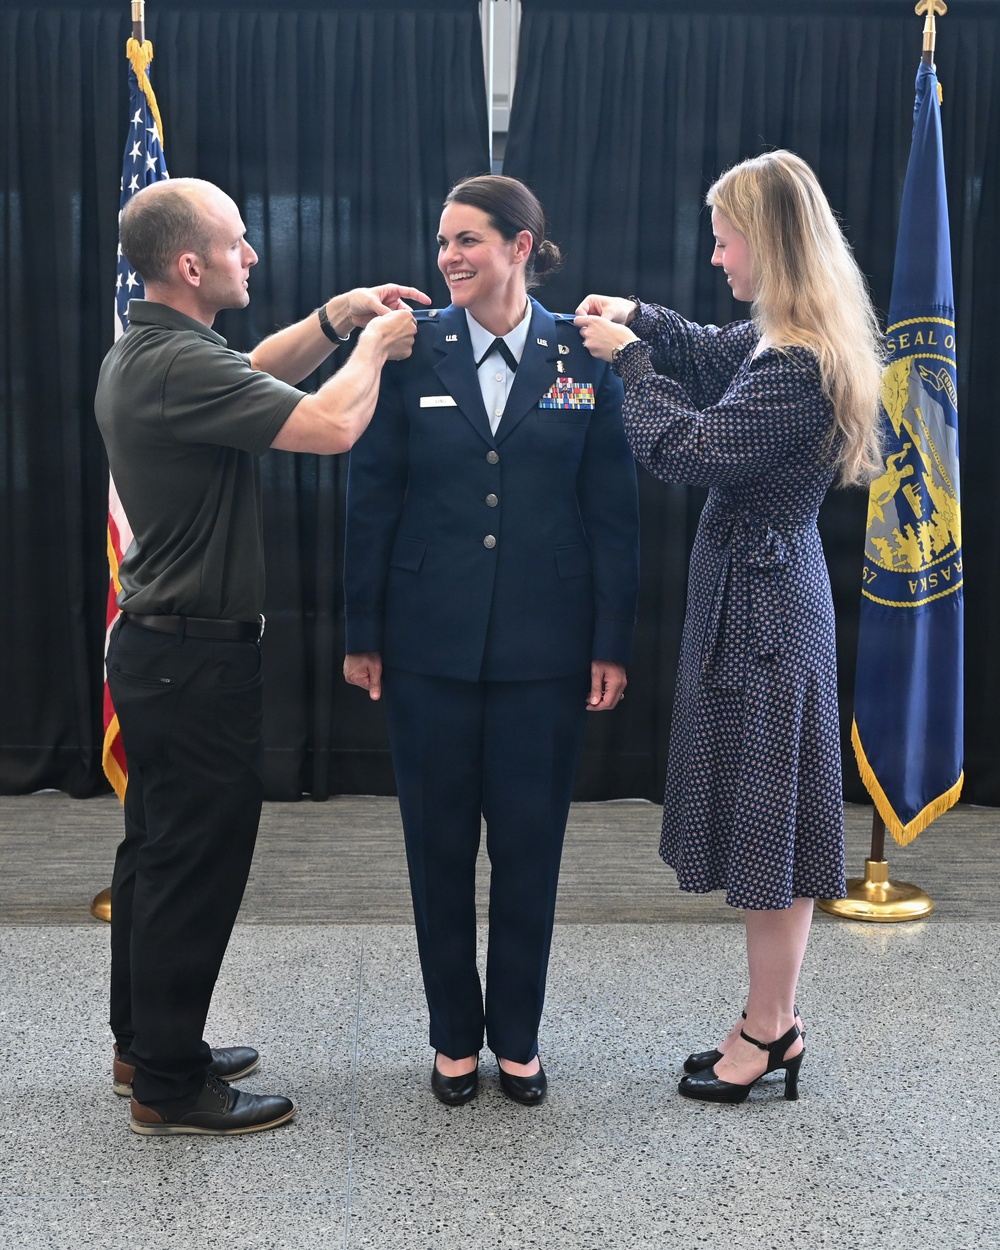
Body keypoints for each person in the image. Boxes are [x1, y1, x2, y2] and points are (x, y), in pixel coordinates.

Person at [95, 176, 427, 1136]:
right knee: (193, 867)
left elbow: (252, 370)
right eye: (237, 242)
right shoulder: (172, 364)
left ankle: (146, 1046)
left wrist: (333, 320)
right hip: (192, 664)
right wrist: (374, 346)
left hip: (163, 656)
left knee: (158, 855)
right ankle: (169, 1086)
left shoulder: (159, 349)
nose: (252, 254)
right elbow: (332, 426)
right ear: (190, 265)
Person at [575, 150, 883, 1104]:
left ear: (771, 243)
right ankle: (771, 1019)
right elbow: (712, 350)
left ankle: (769, 1029)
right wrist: (643, 316)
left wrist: (628, 360)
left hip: (766, 619)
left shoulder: (799, 365)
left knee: (770, 828)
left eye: (725, 240)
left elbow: (689, 446)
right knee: (769, 823)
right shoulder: (780, 336)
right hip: (764, 601)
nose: (716, 258)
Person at [343, 175, 639, 1106]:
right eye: (443, 243)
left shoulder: (584, 354)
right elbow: (371, 496)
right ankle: (451, 1038)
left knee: (529, 850)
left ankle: (516, 1036)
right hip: (425, 645)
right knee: (435, 851)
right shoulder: (409, 349)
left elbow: (613, 511)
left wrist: (611, 638)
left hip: (546, 651)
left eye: (467, 240)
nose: (449, 259)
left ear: (520, 247)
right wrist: (362, 629)